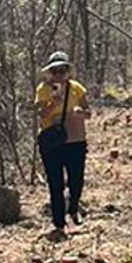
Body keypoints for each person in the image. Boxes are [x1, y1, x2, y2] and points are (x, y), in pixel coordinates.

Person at [34, 51, 89, 237]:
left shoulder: (76, 88)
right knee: (55, 184)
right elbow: (40, 114)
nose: (59, 75)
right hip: (53, 142)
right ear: (49, 72)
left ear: (68, 71)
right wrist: (53, 101)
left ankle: (73, 209)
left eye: (62, 70)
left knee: (76, 180)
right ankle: (59, 223)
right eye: (55, 71)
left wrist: (81, 112)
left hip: (75, 139)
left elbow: (88, 112)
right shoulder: (43, 89)